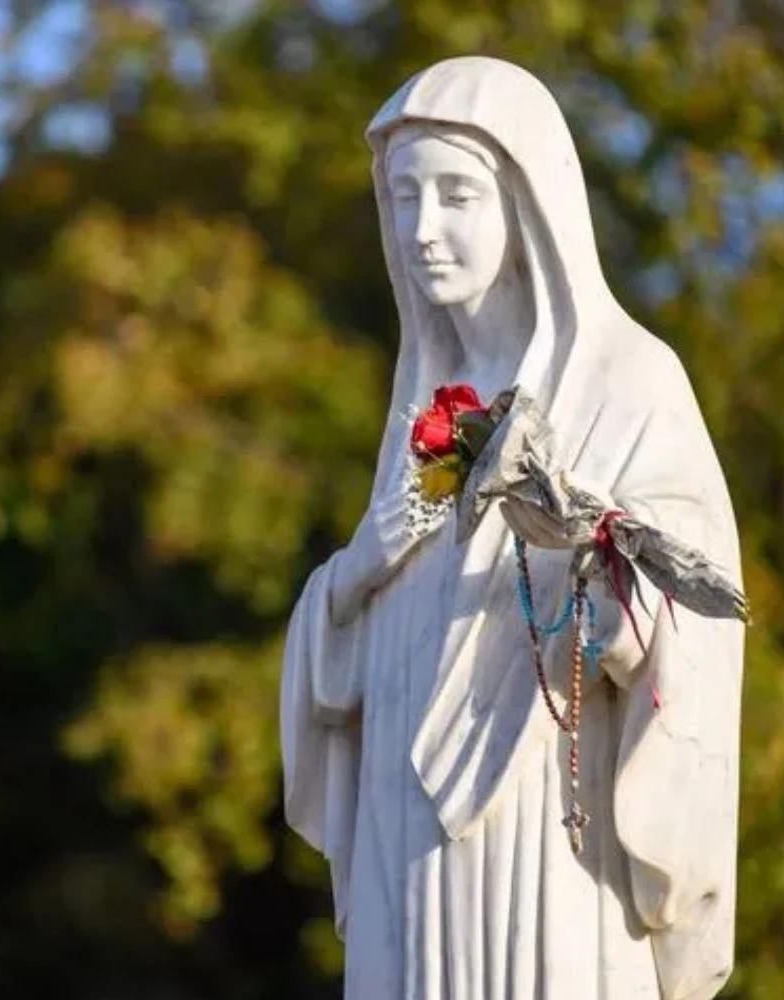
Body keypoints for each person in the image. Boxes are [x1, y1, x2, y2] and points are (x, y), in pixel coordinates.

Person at [280, 56, 745, 999]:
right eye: (403, 197)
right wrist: (351, 578)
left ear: (528, 205)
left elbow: (699, 601)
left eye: (456, 195)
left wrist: (594, 572)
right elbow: (360, 646)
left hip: (549, 815)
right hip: (404, 826)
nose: (421, 230)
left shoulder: (628, 382)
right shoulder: (420, 412)